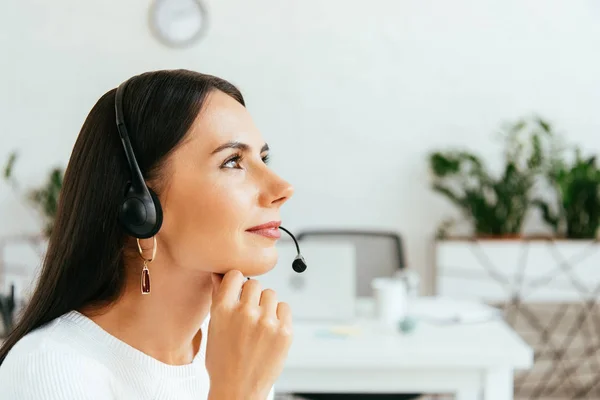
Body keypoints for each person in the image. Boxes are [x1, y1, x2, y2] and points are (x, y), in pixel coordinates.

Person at [0, 69, 295, 399]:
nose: (282, 188)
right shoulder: (49, 369)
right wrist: (236, 392)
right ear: (140, 207)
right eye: (232, 161)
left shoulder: (231, 343)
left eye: (263, 158)